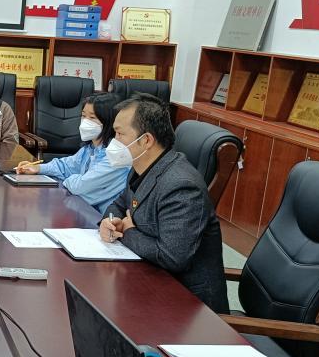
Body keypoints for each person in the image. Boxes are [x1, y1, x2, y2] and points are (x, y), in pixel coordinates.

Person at [98, 94, 228, 313]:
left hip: (188, 307)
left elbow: (172, 256)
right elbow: (119, 204)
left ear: (146, 140)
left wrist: (127, 231)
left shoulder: (182, 186)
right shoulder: (141, 167)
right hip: (149, 283)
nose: (114, 141)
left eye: (120, 134)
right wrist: (110, 222)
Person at [15, 92, 128, 213]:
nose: (85, 122)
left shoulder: (116, 156)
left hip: (103, 218)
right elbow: (65, 166)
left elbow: (80, 187)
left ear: (108, 121)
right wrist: (38, 168)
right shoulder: (89, 148)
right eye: (83, 116)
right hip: (82, 209)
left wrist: (70, 179)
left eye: (92, 118)